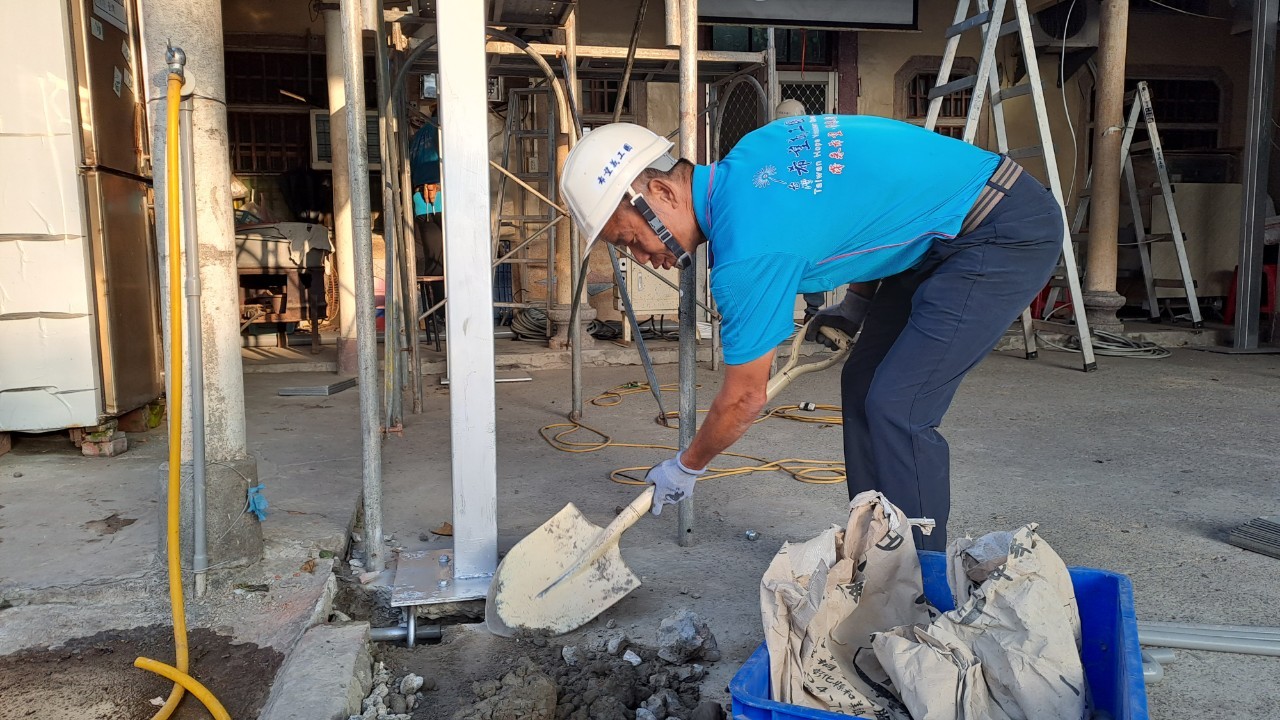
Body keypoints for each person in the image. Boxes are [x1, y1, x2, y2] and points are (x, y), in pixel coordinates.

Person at [560, 115, 1063, 550]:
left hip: (1000, 230)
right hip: (939, 235)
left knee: (900, 405)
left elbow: (744, 399)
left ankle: (920, 577)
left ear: (661, 193)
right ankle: (876, 546)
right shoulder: (756, 150)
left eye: (632, 239)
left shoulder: (747, 254)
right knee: (862, 384)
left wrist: (686, 466)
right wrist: (858, 303)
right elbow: (865, 207)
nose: (643, 258)